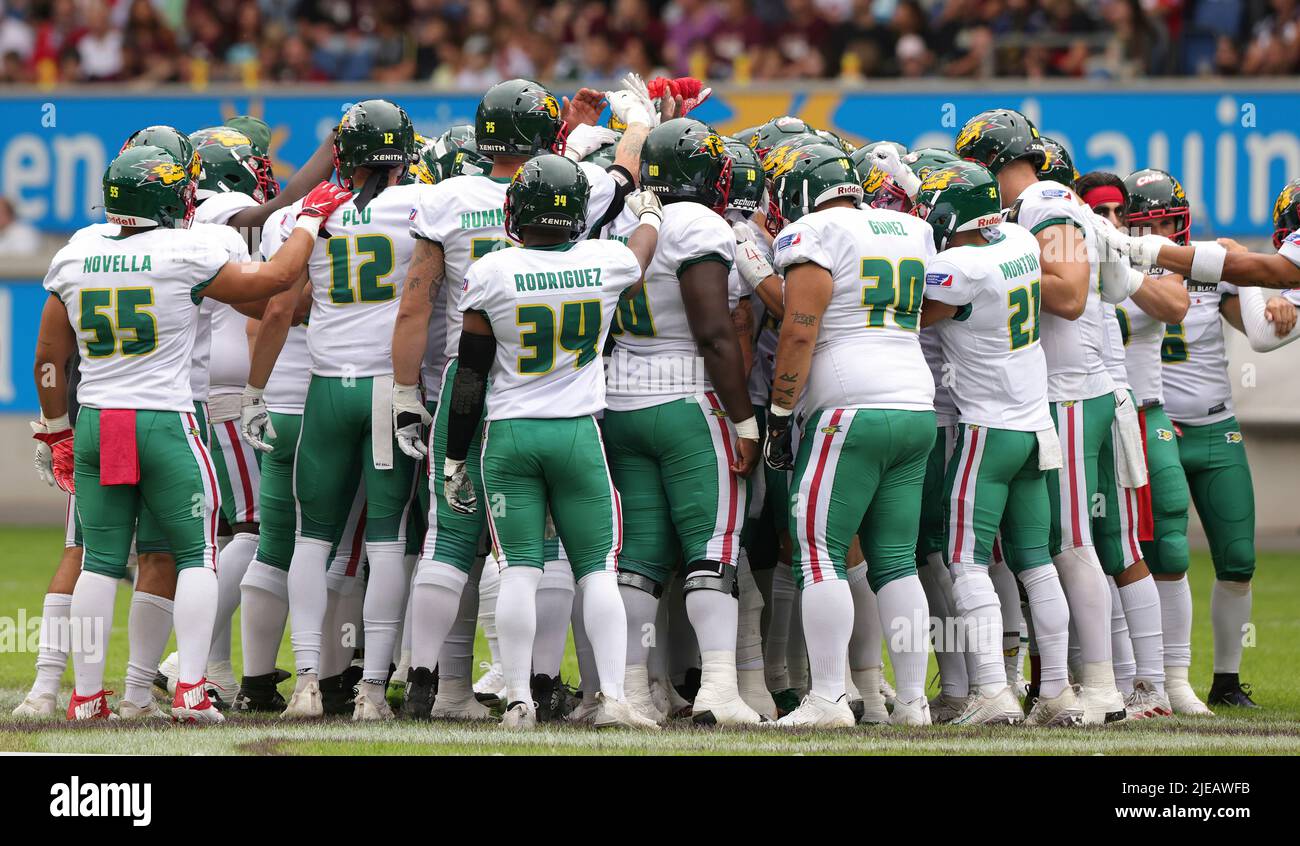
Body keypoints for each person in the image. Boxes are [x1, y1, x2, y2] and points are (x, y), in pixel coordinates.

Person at [34, 143, 349, 722]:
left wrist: (56, 432)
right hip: (165, 421)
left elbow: (49, 358)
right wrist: (309, 217)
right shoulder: (185, 251)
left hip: (100, 422)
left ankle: (84, 698)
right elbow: (276, 278)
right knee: (197, 555)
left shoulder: (77, 252)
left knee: (99, 560)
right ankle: (192, 689)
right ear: (168, 198)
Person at [390, 76, 654, 720]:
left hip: (477, 383)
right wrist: (640, 126)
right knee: (569, 551)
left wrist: (404, 393)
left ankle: (431, 682)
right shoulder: (595, 241)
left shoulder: (451, 202)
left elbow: (417, 302)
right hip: (571, 413)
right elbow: (623, 181)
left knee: (452, 542)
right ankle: (551, 683)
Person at [442, 153, 664, 729]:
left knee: (519, 569)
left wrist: (454, 455)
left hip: (510, 435)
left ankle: (518, 699)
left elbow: (469, 374)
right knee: (597, 571)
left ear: (519, 211)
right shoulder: (605, 261)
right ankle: (612, 697)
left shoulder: (492, 270)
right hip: (578, 435)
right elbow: (639, 256)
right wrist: (650, 216)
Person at [242, 99, 424, 720]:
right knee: (386, 541)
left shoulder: (308, 214)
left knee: (310, 542)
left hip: (323, 389)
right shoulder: (424, 205)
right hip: (385, 389)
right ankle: (372, 689)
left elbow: (275, 309)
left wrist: (255, 391)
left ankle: (309, 682)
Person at [956, 108, 1126, 723]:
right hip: (1048, 395)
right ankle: (1056, 683)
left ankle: (1101, 686)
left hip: (1072, 392)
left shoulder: (1046, 202)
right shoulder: (1029, 210)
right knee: (1041, 546)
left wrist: (1001, 273)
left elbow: (1073, 294)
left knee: (1072, 541)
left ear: (996, 163)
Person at [762, 142, 936, 727]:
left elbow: (799, 330)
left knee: (818, 551)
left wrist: (781, 412)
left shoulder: (814, 232)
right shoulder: (909, 228)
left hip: (849, 405)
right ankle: (913, 704)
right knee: (896, 561)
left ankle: (829, 697)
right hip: (915, 401)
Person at [601, 118, 763, 726]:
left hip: (622, 400)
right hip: (688, 401)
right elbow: (715, 334)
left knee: (638, 557)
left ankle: (633, 690)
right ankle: (719, 688)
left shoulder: (623, 221)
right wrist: (745, 420)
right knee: (712, 551)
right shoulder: (698, 223)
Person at [913, 161, 1078, 726]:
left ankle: (991, 690)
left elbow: (908, 311)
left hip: (986, 430)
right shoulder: (1016, 240)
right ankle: (1056, 690)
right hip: (1036, 430)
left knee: (965, 561)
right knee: (1036, 563)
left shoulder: (958, 266)